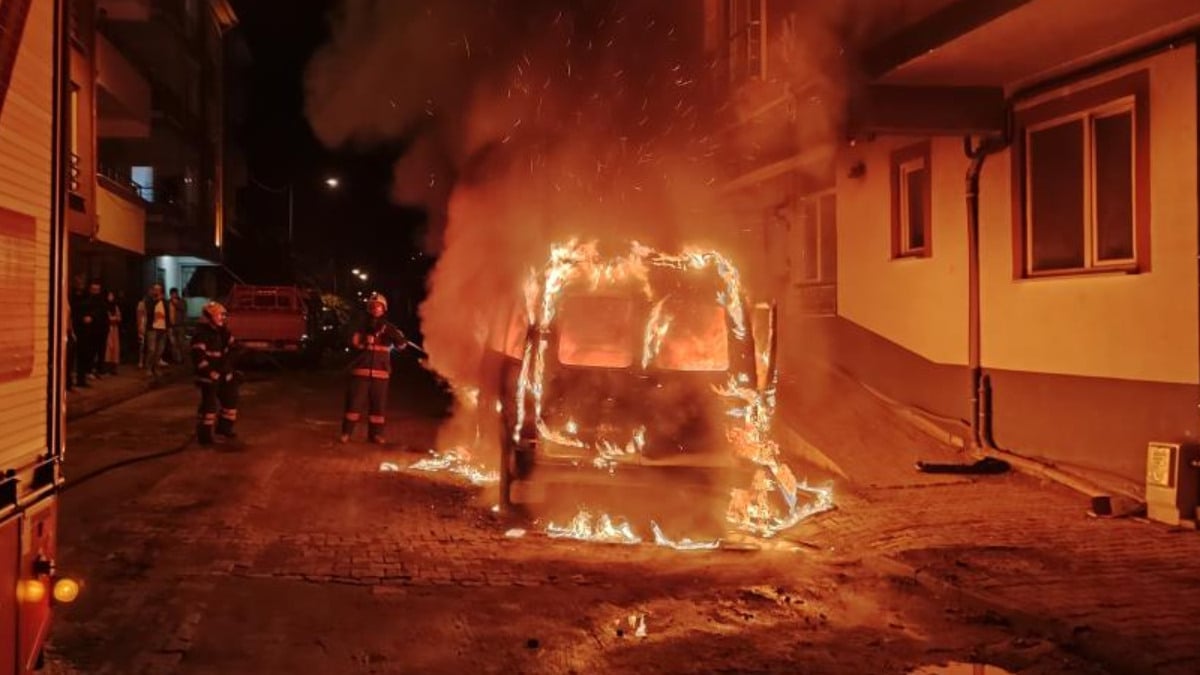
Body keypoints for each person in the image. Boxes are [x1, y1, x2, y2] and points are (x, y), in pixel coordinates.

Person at [341, 292, 406, 444]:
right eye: (373, 306)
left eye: (379, 306)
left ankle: (376, 435)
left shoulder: (389, 328)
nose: (376, 309)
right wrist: (364, 338)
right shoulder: (361, 326)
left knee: (378, 406)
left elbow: (401, 346)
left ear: (384, 309)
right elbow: (352, 342)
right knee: (354, 404)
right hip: (361, 371)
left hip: (381, 373)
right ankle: (346, 433)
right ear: (369, 309)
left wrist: (399, 337)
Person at [190, 301, 241, 446]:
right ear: (210, 317)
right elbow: (198, 357)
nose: (222, 318)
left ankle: (224, 429)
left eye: (223, 315)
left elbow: (233, 347)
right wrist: (210, 373)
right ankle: (205, 436)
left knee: (231, 400)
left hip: (224, 372)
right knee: (209, 407)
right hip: (209, 375)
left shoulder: (222, 331)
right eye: (219, 315)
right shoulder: (201, 334)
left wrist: (229, 367)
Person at [139, 283, 170, 380]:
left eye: (159, 289)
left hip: (163, 328)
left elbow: (167, 314)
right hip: (152, 328)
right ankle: (148, 368)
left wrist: (168, 327)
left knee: (159, 351)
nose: (157, 291)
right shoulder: (149, 301)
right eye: (156, 289)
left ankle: (156, 368)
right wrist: (157, 300)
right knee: (151, 349)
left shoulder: (164, 301)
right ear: (152, 290)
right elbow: (149, 311)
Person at [103, 290, 121, 375]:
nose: (111, 297)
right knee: (108, 347)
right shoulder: (104, 306)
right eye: (109, 296)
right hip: (107, 329)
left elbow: (119, 317)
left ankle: (113, 367)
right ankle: (106, 367)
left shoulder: (115, 307)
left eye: (112, 296)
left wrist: (115, 319)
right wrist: (111, 319)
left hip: (115, 329)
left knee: (115, 348)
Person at [168, 287, 187, 363]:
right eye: (172, 294)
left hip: (180, 325)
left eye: (175, 293)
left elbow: (183, 308)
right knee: (173, 343)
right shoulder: (168, 302)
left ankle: (182, 358)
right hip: (171, 326)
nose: (173, 295)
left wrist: (176, 303)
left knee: (181, 342)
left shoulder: (182, 301)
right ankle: (176, 359)